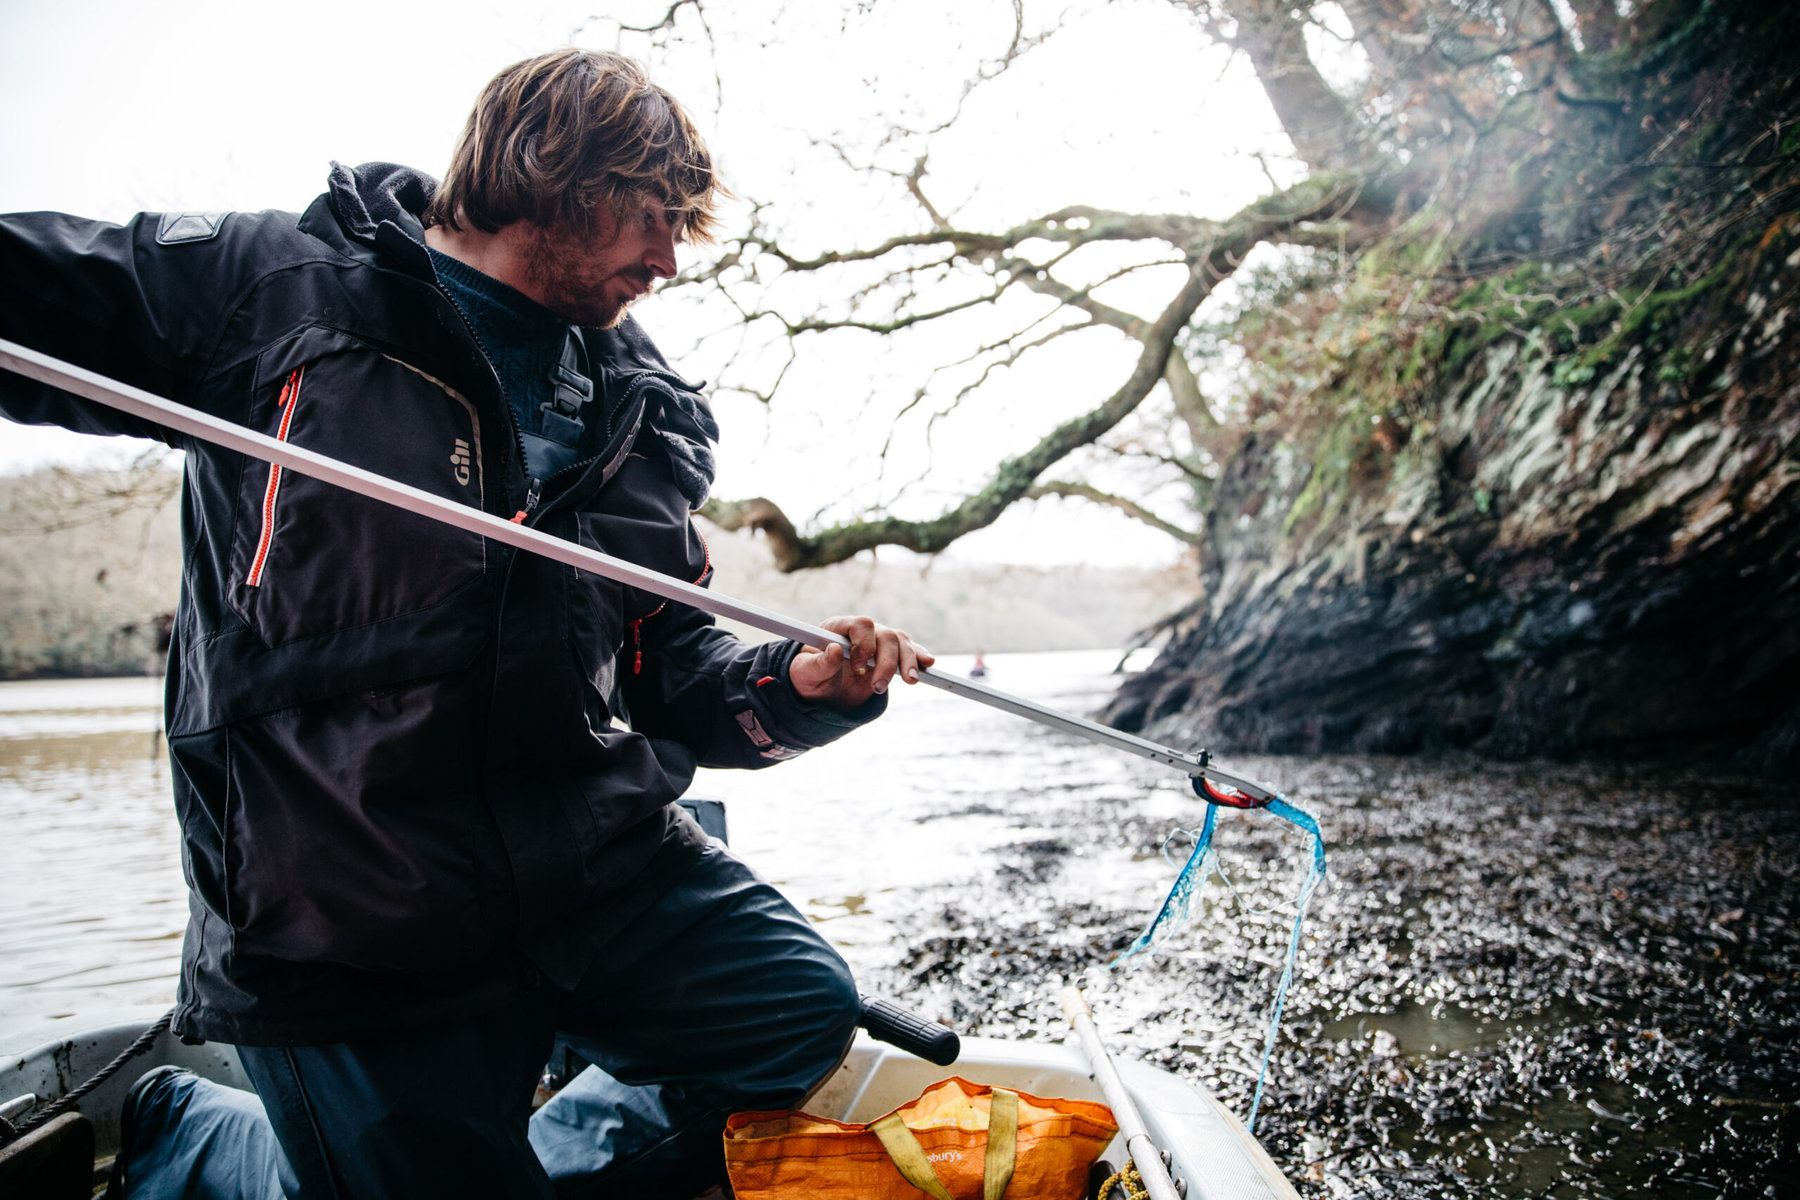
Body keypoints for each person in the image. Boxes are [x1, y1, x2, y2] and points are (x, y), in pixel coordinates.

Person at [0, 48, 931, 1199]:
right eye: (653, 215)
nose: (671, 258)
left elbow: (669, 666)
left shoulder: (647, 413)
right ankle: (192, 1141)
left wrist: (798, 685)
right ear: (554, 171)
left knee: (792, 1015)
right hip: (349, 897)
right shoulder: (272, 291)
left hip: (584, 869)